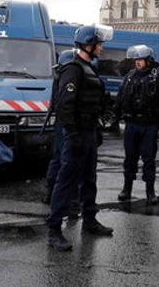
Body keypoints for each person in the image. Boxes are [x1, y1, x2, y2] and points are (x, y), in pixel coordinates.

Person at [47, 24, 114, 252]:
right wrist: (73, 134)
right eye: (99, 44)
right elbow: (65, 106)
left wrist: (95, 130)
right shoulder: (73, 68)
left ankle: (90, 220)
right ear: (89, 45)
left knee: (89, 179)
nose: (102, 48)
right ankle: (54, 229)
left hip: (88, 131)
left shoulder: (88, 67)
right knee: (66, 181)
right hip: (75, 133)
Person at [116, 45, 159, 205]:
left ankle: (150, 191)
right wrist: (116, 116)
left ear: (148, 60)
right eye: (136, 59)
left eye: (140, 59)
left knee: (149, 159)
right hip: (131, 123)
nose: (137, 62)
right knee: (130, 158)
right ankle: (126, 188)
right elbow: (120, 97)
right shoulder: (129, 76)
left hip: (149, 124)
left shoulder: (158, 77)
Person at [43, 49, 78, 205]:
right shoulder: (68, 78)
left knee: (57, 159)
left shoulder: (59, 76)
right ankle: (71, 196)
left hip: (59, 121)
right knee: (68, 159)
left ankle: (50, 193)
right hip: (67, 122)